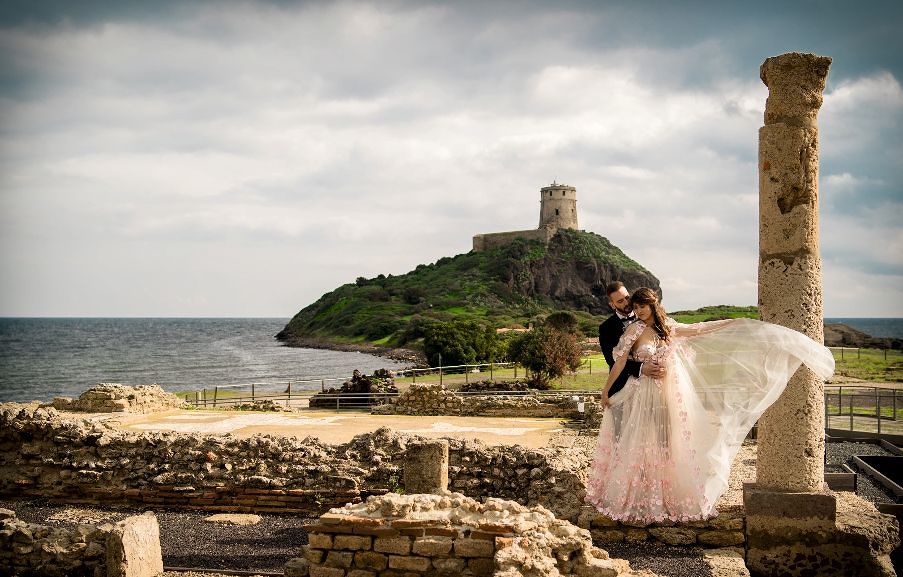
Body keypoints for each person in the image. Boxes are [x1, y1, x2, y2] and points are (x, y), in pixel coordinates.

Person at [586, 287, 834, 525]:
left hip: (670, 395)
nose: (638, 311)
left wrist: (733, 323)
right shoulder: (634, 330)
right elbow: (618, 363)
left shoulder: (668, 328)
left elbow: (699, 330)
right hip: (643, 395)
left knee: (667, 442)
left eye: (642, 306)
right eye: (636, 307)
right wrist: (606, 390)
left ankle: (667, 494)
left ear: (653, 305)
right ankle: (640, 495)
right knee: (641, 441)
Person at [598, 281, 665, 396]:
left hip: (654, 387)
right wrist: (641, 368)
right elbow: (611, 360)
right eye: (620, 301)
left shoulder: (648, 317)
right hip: (621, 387)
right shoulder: (606, 328)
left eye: (627, 297)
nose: (626, 302)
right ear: (612, 305)